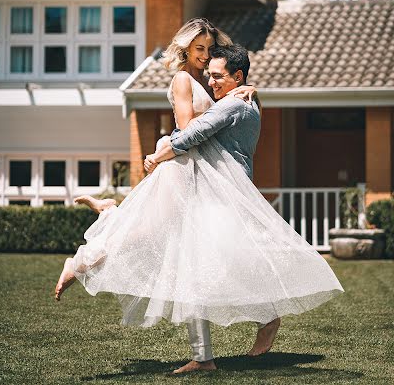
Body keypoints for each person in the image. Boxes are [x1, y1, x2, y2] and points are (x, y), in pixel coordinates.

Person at [55, 37, 344, 376]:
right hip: (210, 189)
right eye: (208, 70)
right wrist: (244, 88)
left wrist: (157, 154)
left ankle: (94, 244)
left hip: (218, 192)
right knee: (195, 266)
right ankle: (208, 352)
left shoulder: (234, 105)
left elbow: (191, 134)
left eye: (219, 75)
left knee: (213, 263)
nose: (211, 79)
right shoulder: (237, 99)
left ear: (237, 76)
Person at [72, 17, 256, 215]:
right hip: (184, 159)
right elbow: (187, 127)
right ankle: (108, 211)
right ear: (187, 49)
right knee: (158, 223)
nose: (206, 55)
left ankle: (109, 208)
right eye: (199, 48)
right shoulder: (183, 79)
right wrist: (218, 116)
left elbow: (226, 113)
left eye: (210, 49)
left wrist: (250, 88)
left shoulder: (209, 81)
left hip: (203, 161)